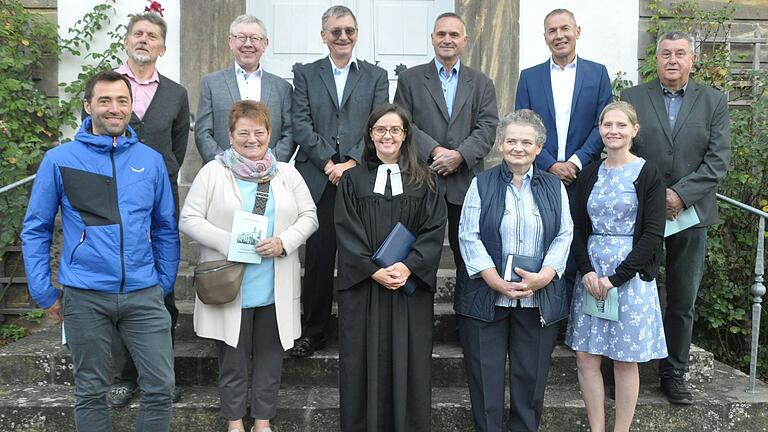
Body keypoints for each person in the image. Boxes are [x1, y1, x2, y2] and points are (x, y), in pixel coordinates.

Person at [21, 70, 179, 431]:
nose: (114, 108)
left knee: (160, 387)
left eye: (122, 100)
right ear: (88, 105)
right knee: (91, 391)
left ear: (131, 106)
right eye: (104, 100)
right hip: (86, 293)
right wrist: (44, 291)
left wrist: (164, 281)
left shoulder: (150, 160)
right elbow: (36, 229)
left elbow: (165, 226)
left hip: (143, 293)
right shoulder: (60, 159)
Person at [180, 100, 317, 432]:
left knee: (270, 361)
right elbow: (188, 218)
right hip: (230, 283)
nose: (251, 139)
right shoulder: (213, 172)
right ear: (230, 135)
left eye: (259, 132)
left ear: (269, 133)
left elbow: (309, 216)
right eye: (243, 132)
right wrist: (231, 243)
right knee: (233, 361)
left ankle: (262, 421)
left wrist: (284, 241)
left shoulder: (287, 174)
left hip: (273, 284)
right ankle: (234, 422)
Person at [621, 31, 731, 405]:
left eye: (680, 54)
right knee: (630, 289)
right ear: (657, 59)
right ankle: (621, 367)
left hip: (691, 215)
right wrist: (654, 197)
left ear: (691, 59)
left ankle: (674, 374)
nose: (672, 60)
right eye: (666, 53)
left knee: (683, 298)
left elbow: (717, 161)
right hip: (641, 214)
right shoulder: (633, 98)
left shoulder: (713, 101)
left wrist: (680, 195)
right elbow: (622, 149)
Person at [456, 109, 573, 432]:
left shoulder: (554, 186)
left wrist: (545, 275)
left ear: (538, 148)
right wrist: (494, 280)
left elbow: (565, 234)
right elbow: (468, 235)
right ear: (500, 144)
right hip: (486, 299)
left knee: (530, 381)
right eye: (511, 141)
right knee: (485, 381)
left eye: (526, 142)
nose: (518, 147)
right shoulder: (481, 183)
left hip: (537, 299)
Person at [335, 103, 447, 431]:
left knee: (409, 365)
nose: (387, 135)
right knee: (360, 367)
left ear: (406, 135)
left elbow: (433, 229)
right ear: (370, 135)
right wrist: (373, 270)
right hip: (364, 290)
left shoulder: (425, 180)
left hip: (407, 292)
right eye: (380, 129)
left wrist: (409, 267)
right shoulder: (352, 180)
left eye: (395, 130)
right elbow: (345, 228)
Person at [289, 5, 389, 358]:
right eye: (335, 31)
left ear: (357, 34)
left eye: (348, 30)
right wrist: (329, 161)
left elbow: (380, 122)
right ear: (324, 36)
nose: (343, 37)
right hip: (317, 178)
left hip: (359, 178)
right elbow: (299, 122)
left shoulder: (376, 76)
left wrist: (350, 162)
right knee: (317, 259)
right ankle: (313, 331)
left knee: (359, 255)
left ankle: (356, 330)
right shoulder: (305, 74)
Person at [565, 101, 668, 432]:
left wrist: (616, 278)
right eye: (607, 125)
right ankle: (597, 428)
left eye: (621, 125)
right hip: (592, 272)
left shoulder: (648, 173)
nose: (613, 131)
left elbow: (653, 233)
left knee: (624, 358)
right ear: (599, 130)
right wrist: (589, 271)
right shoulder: (591, 172)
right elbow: (578, 227)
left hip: (629, 274)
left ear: (634, 131)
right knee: (586, 356)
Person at [108, 11, 189, 407]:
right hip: (112, 201)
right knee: (121, 285)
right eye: (137, 34)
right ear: (126, 41)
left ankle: (162, 376)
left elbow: (177, 150)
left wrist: (157, 180)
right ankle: (125, 377)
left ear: (162, 47)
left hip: (159, 201)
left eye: (152, 35)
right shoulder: (107, 86)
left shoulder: (175, 94)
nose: (144, 40)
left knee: (162, 285)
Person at [393, 12, 498, 271]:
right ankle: (418, 313)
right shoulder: (410, 79)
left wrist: (460, 155)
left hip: (466, 182)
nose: (447, 39)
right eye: (441, 34)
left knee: (468, 255)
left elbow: (487, 128)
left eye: (454, 34)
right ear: (432, 39)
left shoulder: (482, 83)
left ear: (465, 40)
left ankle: (467, 312)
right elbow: (402, 124)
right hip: (421, 179)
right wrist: (436, 151)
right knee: (417, 255)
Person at [515, 8, 612, 187]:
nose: (559, 36)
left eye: (565, 28)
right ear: (545, 38)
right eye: (552, 31)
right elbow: (523, 126)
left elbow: (603, 124)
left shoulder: (598, 74)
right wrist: (549, 164)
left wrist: (576, 162)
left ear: (577, 31)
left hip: (585, 175)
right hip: (540, 175)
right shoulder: (529, 78)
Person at [195, 14, 294, 164]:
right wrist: (226, 163)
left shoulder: (282, 88)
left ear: (265, 43)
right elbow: (203, 132)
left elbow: (290, 133)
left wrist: (268, 163)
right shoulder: (211, 83)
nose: (248, 44)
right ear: (230, 42)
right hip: (223, 175)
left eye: (255, 38)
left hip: (268, 175)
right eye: (241, 37)